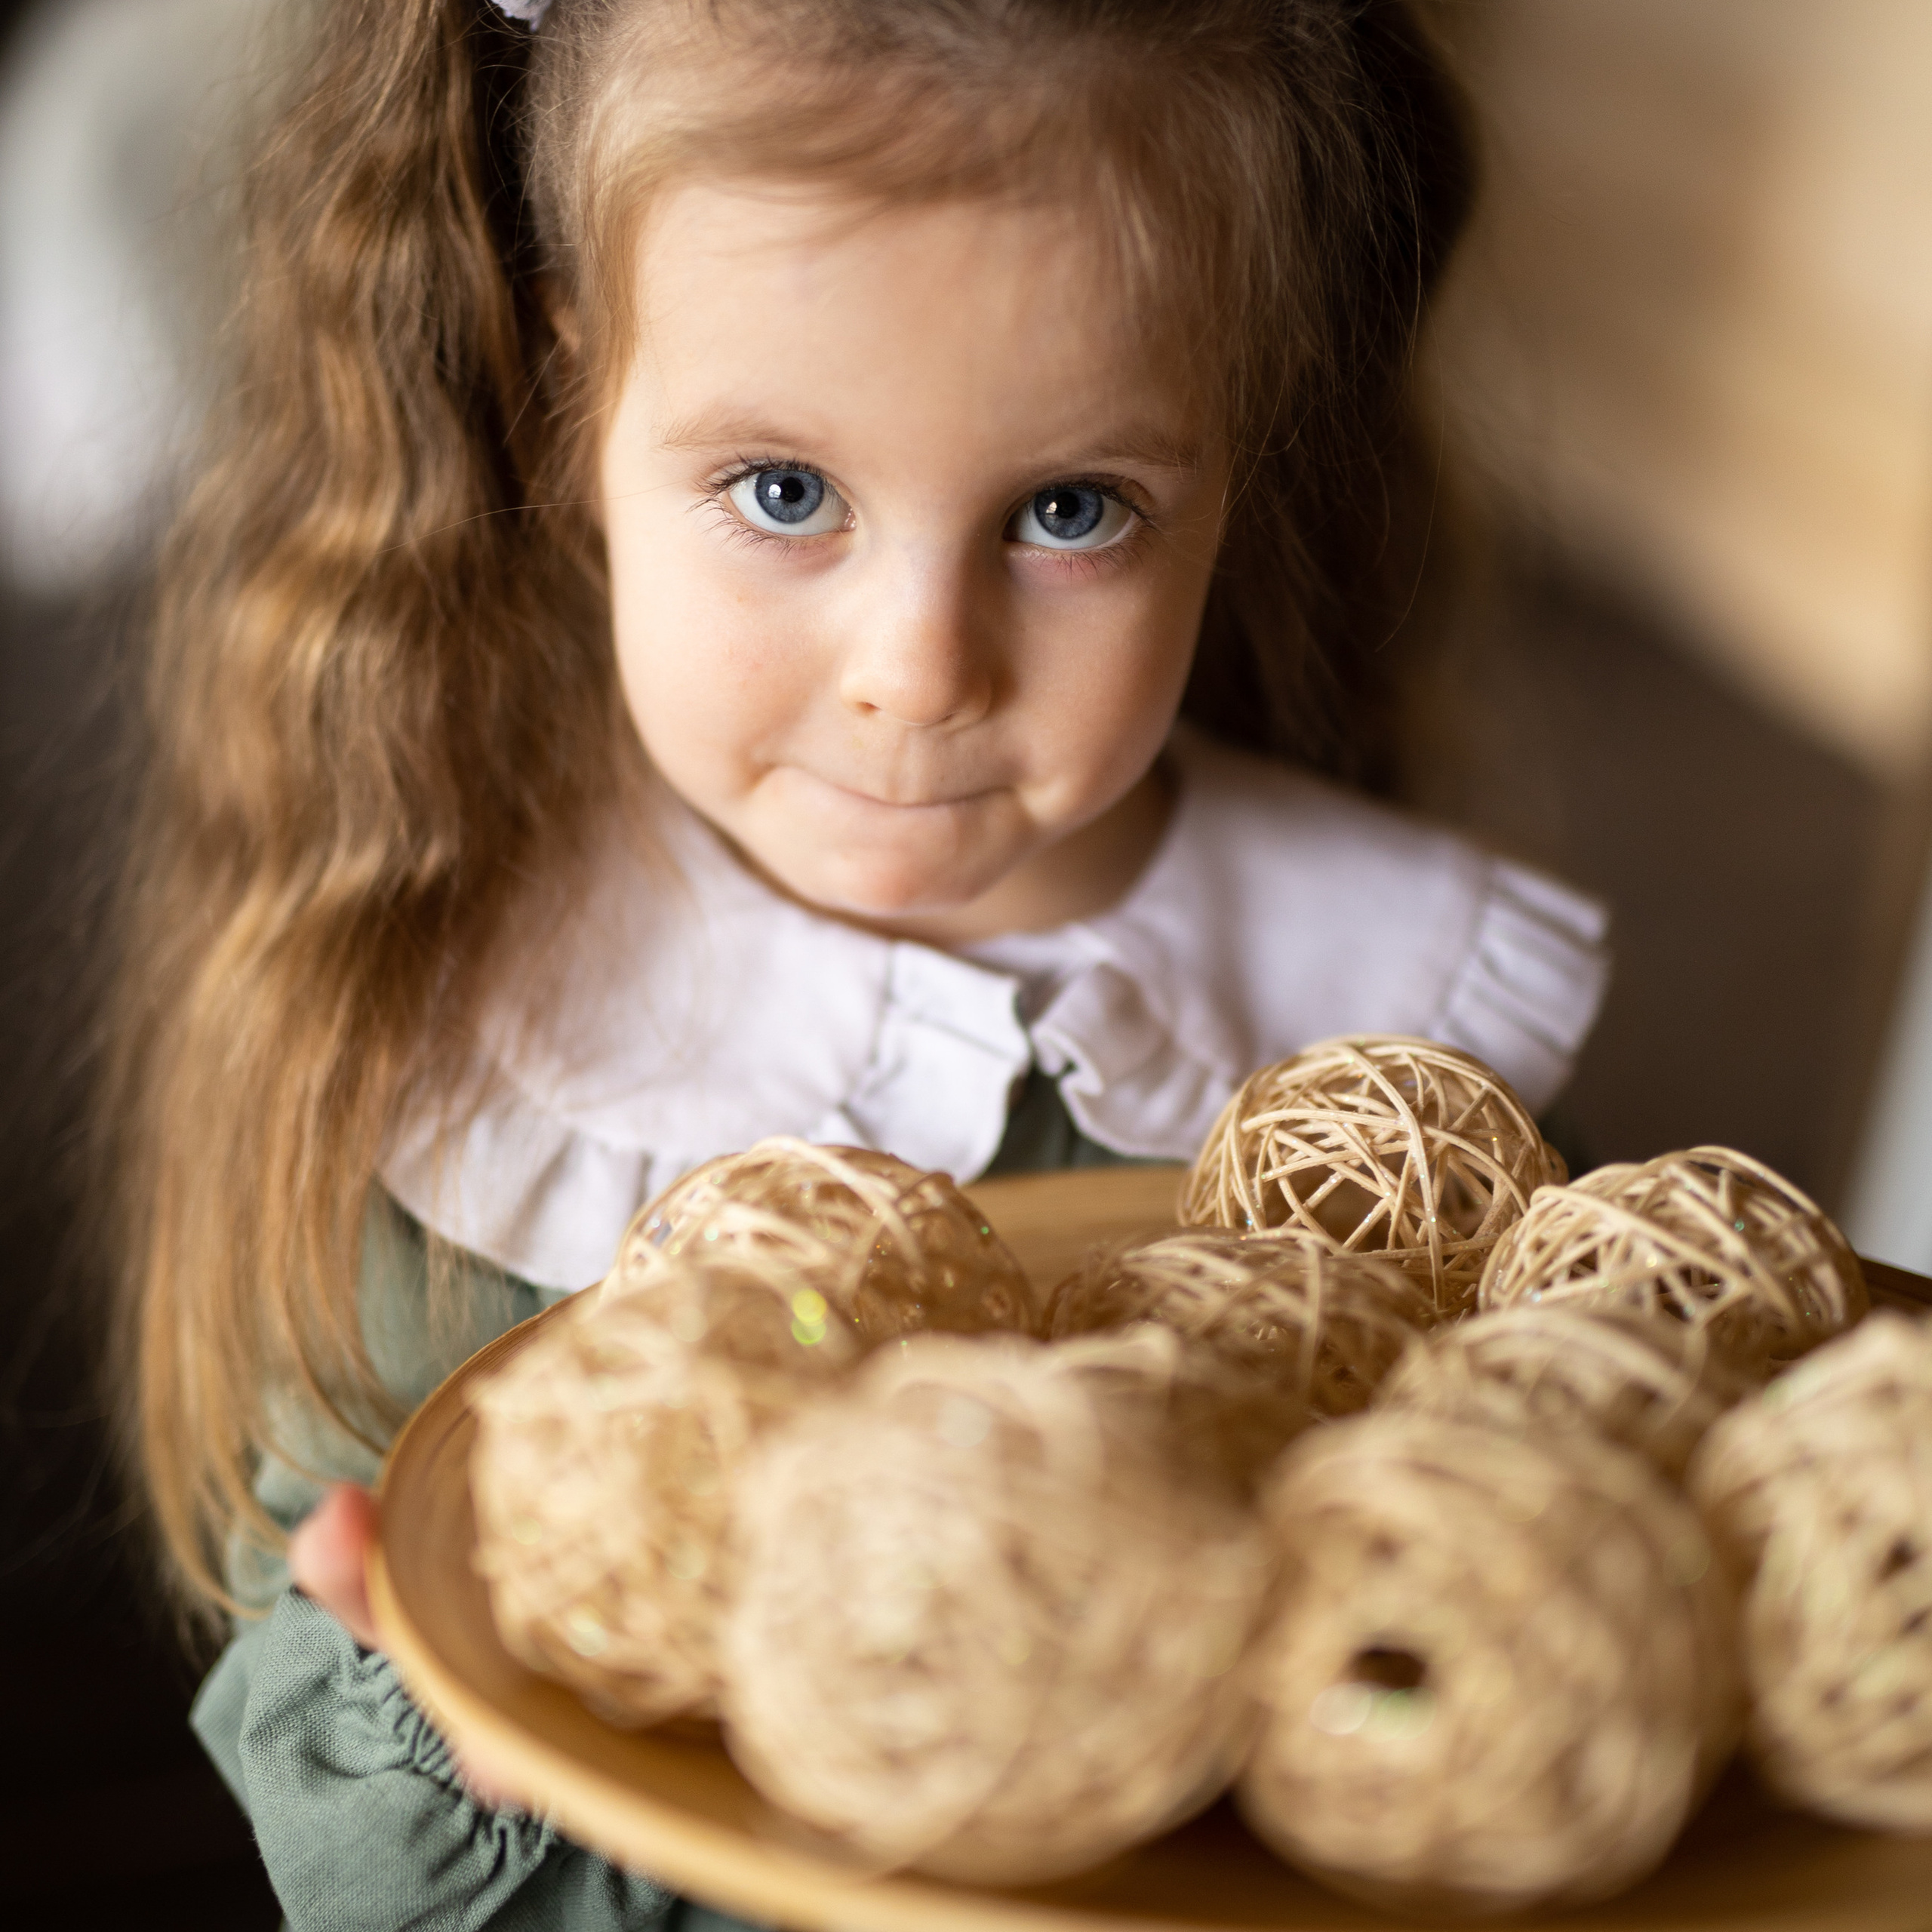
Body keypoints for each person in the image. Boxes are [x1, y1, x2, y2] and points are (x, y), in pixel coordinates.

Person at [103, 0, 1611, 1924]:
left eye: (1070, 510)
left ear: (1236, 447)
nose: (919, 668)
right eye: (785, 492)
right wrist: (481, 1733)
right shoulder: (465, 1082)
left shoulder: (1396, 1057)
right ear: (572, 409)